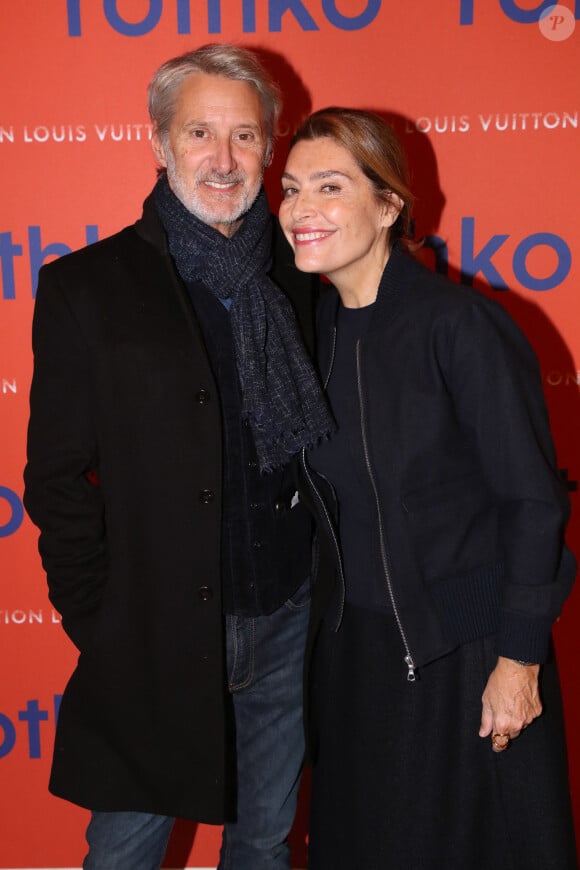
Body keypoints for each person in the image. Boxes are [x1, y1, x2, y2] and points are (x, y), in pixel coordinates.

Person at [23, 45, 333, 870]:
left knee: (264, 844)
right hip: (153, 634)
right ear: (159, 141)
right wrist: (99, 619)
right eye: (199, 132)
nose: (223, 160)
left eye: (244, 136)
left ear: (271, 147)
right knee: (125, 851)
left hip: (287, 616)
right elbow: (55, 480)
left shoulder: (306, 277)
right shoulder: (86, 288)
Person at [279, 107, 578, 869]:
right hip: (356, 656)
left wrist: (517, 661)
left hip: (463, 649)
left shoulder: (460, 326)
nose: (302, 208)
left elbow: (534, 502)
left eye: (330, 186)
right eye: (291, 188)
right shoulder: (316, 332)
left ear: (389, 206)